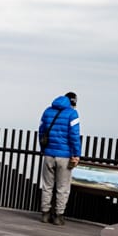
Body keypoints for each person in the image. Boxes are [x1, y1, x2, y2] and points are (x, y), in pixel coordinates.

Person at [38, 91, 81, 226]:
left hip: (48, 154)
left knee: (47, 185)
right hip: (64, 156)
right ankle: (58, 216)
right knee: (62, 187)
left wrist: (43, 149)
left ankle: (45, 214)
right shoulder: (72, 114)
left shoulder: (47, 111)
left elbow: (41, 131)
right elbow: (74, 135)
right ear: (73, 102)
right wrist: (76, 154)